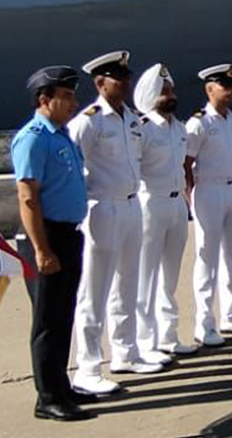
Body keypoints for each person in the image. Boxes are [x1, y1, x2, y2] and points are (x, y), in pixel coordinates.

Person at [66, 51, 163, 402]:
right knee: (94, 289)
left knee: (127, 282)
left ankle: (125, 351)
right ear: (100, 83)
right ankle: (88, 368)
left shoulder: (132, 120)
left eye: (125, 77)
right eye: (116, 78)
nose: (123, 83)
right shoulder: (89, 121)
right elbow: (71, 166)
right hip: (102, 207)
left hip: (132, 205)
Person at [12, 65, 94, 422]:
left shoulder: (60, 135)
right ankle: (47, 397)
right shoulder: (33, 137)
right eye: (67, 97)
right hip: (46, 236)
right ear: (45, 100)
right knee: (47, 319)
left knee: (63, 314)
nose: (74, 103)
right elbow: (28, 197)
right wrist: (42, 250)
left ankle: (60, 384)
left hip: (68, 234)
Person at [185, 64, 232, 348]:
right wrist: (191, 196)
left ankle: (231, 314)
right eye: (223, 86)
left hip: (230, 191)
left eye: (231, 86)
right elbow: (186, 163)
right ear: (209, 89)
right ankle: (205, 324)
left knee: (231, 256)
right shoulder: (199, 123)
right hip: (208, 191)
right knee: (207, 259)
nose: (229, 92)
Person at [132, 65, 195, 358]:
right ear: (150, 96)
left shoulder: (179, 128)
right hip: (150, 203)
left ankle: (168, 335)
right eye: (164, 92)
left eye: (171, 90)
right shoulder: (141, 128)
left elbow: (184, 167)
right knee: (146, 275)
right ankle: (146, 342)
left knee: (170, 275)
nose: (170, 96)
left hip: (176, 203)